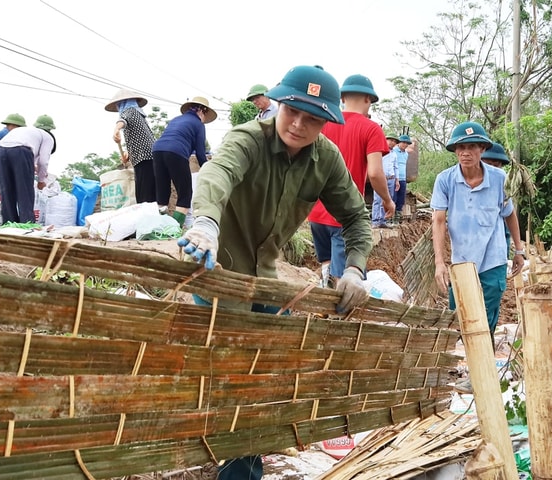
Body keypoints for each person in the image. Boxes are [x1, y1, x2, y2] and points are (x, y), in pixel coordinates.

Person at [176, 65, 372, 480]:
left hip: (266, 276)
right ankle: (234, 468)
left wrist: (354, 269)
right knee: (232, 375)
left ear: (326, 122)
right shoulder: (248, 139)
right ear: (278, 105)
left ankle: (248, 463)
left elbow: (356, 218)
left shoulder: (327, 160)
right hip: (219, 270)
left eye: (313, 118)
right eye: (292, 112)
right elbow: (217, 174)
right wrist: (206, 222)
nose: (299, 124)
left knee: (266, 374)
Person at [431, 122, 525, 343]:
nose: (466, 152)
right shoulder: (445, 180)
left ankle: (484, 365)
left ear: (482, 149)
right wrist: (439, 262)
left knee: (487, 316)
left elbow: (509, 214)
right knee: (460, 315)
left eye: (472, 146)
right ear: (455, 150)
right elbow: (438, 220)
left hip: (493, 260)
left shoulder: (499, 179)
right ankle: (466, 362)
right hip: (462, 261)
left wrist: (518, 250)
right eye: (461, 147)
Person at [307, 74, 394, 286]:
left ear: (342, 98)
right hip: (344, 215)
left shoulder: (324, 123)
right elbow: (374, 173)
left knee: (327, 266)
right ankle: (339, 317)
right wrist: (387, 200)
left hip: (316, 213)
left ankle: (324, 310)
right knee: (345, 278)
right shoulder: (371, 129)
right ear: (368, 99)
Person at [153, 96, 216, 226]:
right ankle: (173, 229)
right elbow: (200, 153)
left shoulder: (176, 119)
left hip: (157, 151)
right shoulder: (198, 124)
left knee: (163, 193)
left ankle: (159, 227)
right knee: (185, 194)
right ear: (202, 111)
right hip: (177, 152)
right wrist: (208, 172)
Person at [0, 115, 56, 224]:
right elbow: (43, 161)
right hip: (21, 150)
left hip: (1, 149)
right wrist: (41, 181)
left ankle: (9, 223)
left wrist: (32, 166)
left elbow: (30, 158)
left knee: (6, 188)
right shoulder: (49, 138)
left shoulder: (29, 132)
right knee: (25, 189)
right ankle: (26, 223)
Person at [105, 88, 156, 203]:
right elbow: (140, 136)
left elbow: (122, 121)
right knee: (152, 191)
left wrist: (116, 130)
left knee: (144, 194)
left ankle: (146, 217)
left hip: (143, 158)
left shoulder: (128, 111)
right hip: (151, 156)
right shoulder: (139, 114)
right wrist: (128, 153)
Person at [371, 133, 400, 228]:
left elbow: (396, 167)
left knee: (388, 200)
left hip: (391, 178)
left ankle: (383, 220)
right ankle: (375, 221)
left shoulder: (394, 154)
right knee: (377, 199)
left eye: (394, 141)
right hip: (381, 178)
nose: (392, 143)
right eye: (390, 140)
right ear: (386, 140)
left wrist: (397, 180)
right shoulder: (380, 152)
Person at [392, 133, 412, 224]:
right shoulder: (393, 151)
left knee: (401, 198)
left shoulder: (406, 154)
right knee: (393, 197)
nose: (405, 145)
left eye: (407, 143)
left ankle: (397, 217)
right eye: (403, 142)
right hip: (394, 177)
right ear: (399, 143)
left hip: (403, 178)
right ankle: (390, 217)